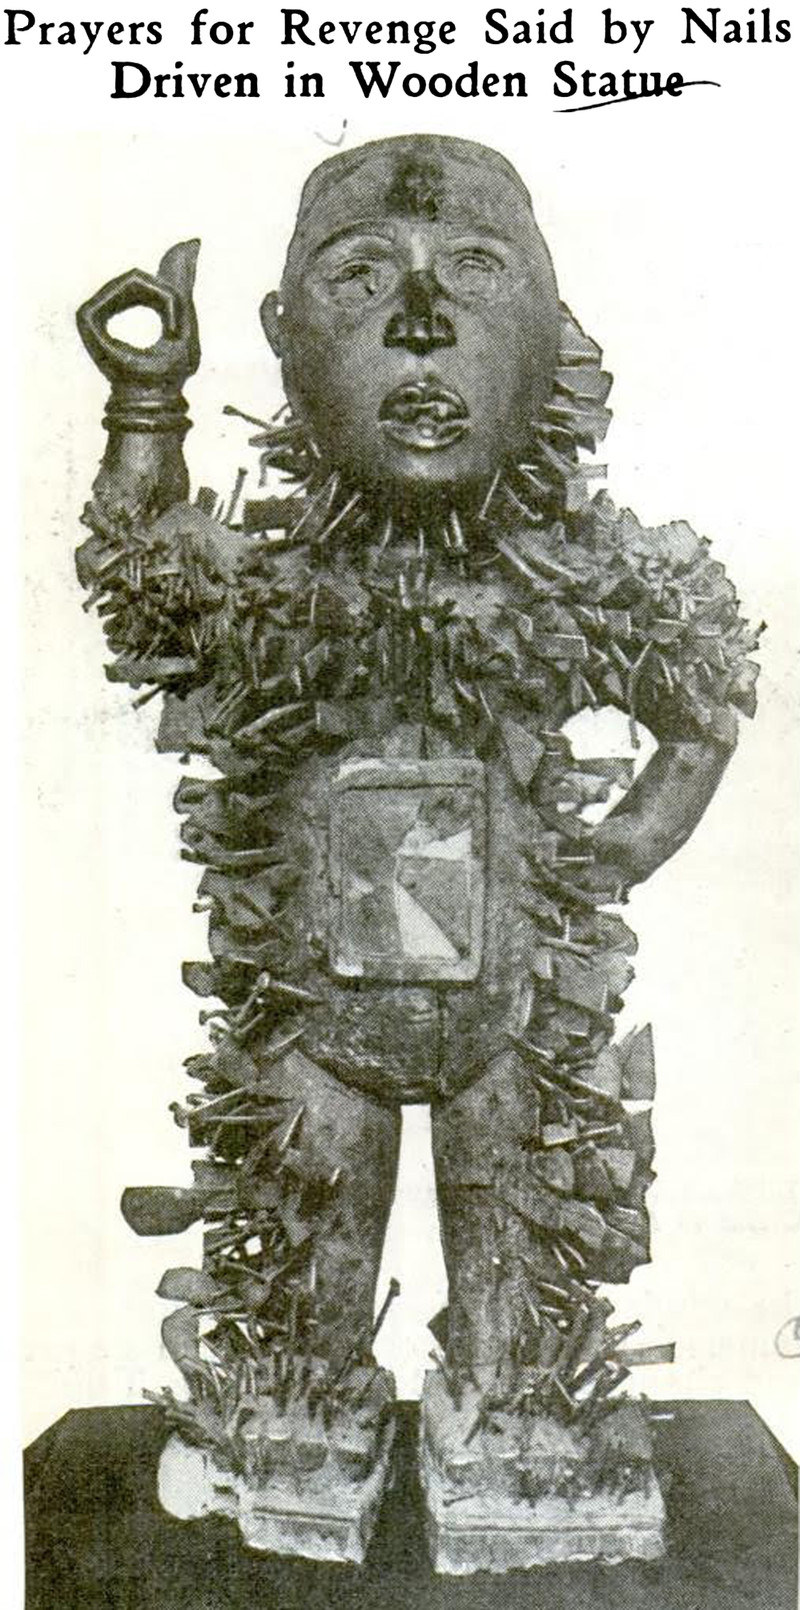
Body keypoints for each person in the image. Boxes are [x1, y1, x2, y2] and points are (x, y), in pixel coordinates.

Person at [76, 135, 759, 1568]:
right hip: (312, 1029)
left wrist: (626, 847)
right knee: (308, 1228)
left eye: (474, 274)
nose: (423, 322)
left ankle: (516, 1414)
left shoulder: (571, 579)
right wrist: (147, 401)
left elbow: (702, 685)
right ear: (286, 337)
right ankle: (299, 1408)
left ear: (554, 341)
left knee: (521, 1243)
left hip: (512, 1022)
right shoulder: (278, 591)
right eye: (363, 279)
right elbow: (146, 584)